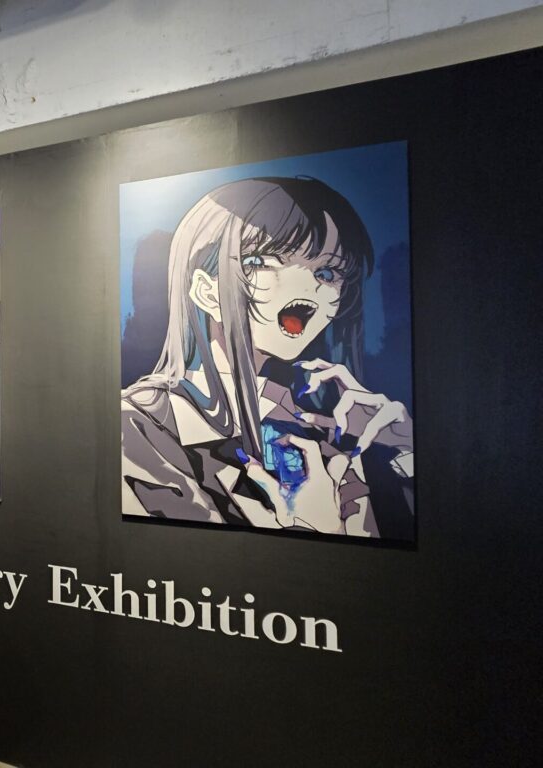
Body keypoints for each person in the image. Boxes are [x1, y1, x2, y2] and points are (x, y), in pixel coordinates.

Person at [121, 177, 414, 537]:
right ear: (206, 291)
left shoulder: (315, 423)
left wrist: (403, 449)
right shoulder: (140, 425)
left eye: (327, 272)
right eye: (261, 261)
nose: (308, 287)